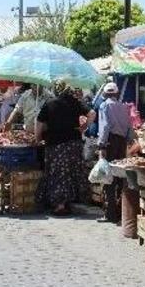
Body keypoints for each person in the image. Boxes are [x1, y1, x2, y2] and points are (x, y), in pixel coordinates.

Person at [35, 79, 96, 216]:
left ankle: (60, 205)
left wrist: (38, 139)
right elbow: (92, 113)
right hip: (74, 143)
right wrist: (83, 128)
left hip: (55, 144)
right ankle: (74, 200)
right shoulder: (75, 103)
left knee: (58, 174)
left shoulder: (50, 103)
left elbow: (39, 123)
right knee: (72, 172)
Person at [95, 82, 134, 223]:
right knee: (119, 176)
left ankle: (110, 214)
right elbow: (130, 126)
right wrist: (130, 140)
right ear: (116, 93)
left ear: (105, 94)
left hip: (110, 141)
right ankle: (120, 212)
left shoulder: (104, 106)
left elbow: (105, 126)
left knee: (108, 176)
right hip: (122, 142)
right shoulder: (124, 107)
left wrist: (101, 145)